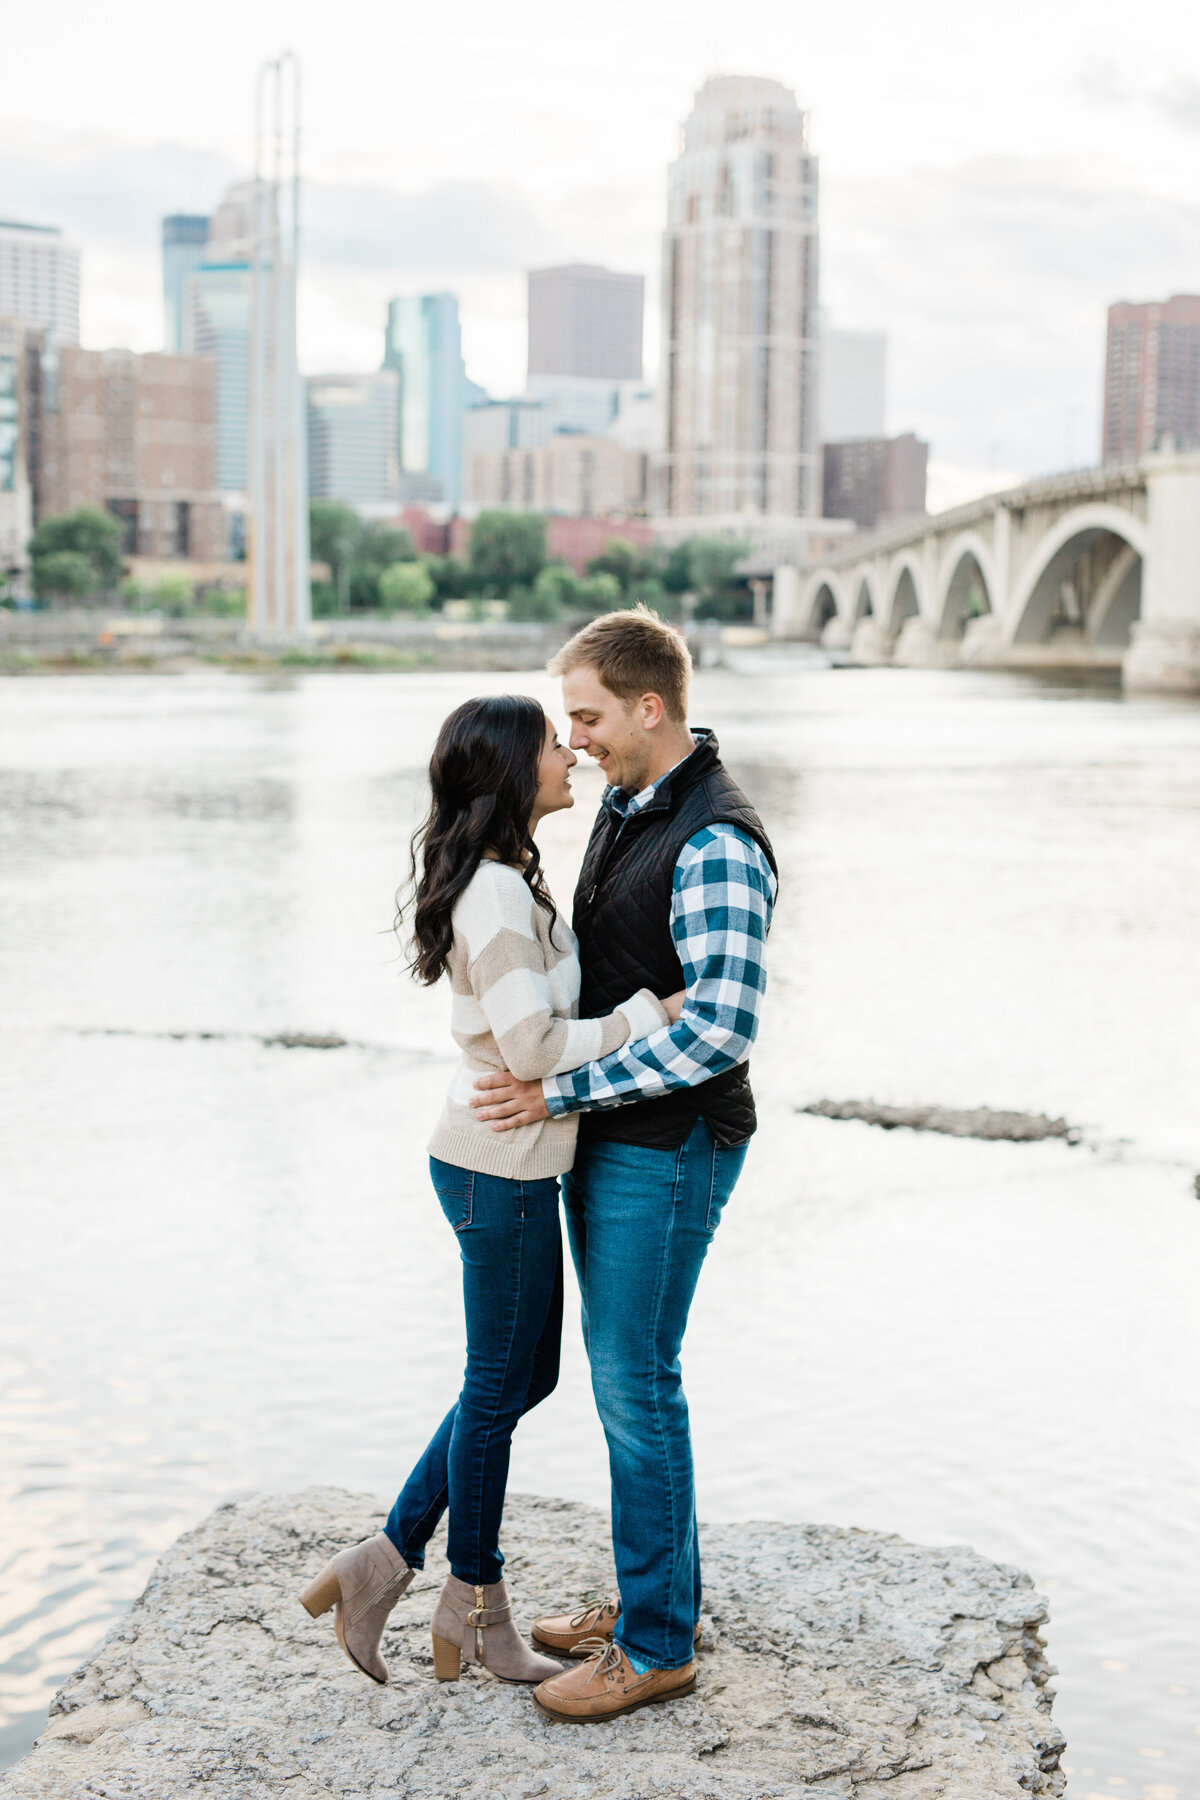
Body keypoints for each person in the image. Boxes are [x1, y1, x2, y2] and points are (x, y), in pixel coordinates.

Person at [298, 694, 681, 1687]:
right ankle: (471, 1600)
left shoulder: (511, 878)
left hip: (505, 1165)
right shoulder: (497, 898)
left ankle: (384, 1562)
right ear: (513, 774)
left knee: (515, 1380)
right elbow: (533, 1047)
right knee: (499, 1386)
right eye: (555, 745)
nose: (571, 755)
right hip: (493, 1170)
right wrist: (648, 1014)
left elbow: (532, 1046)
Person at [470, 607, 777, 1723]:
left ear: (652, 708)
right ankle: (658, 1597)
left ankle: (655, 1646)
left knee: (637, 1386)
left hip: (673, 1146)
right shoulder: (628, 796)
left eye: (589, 716)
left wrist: (560, 1088)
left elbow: (721, 1032)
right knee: (626, 1383)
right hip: (618, 1140)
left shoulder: (717, 842)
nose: (577, 736)